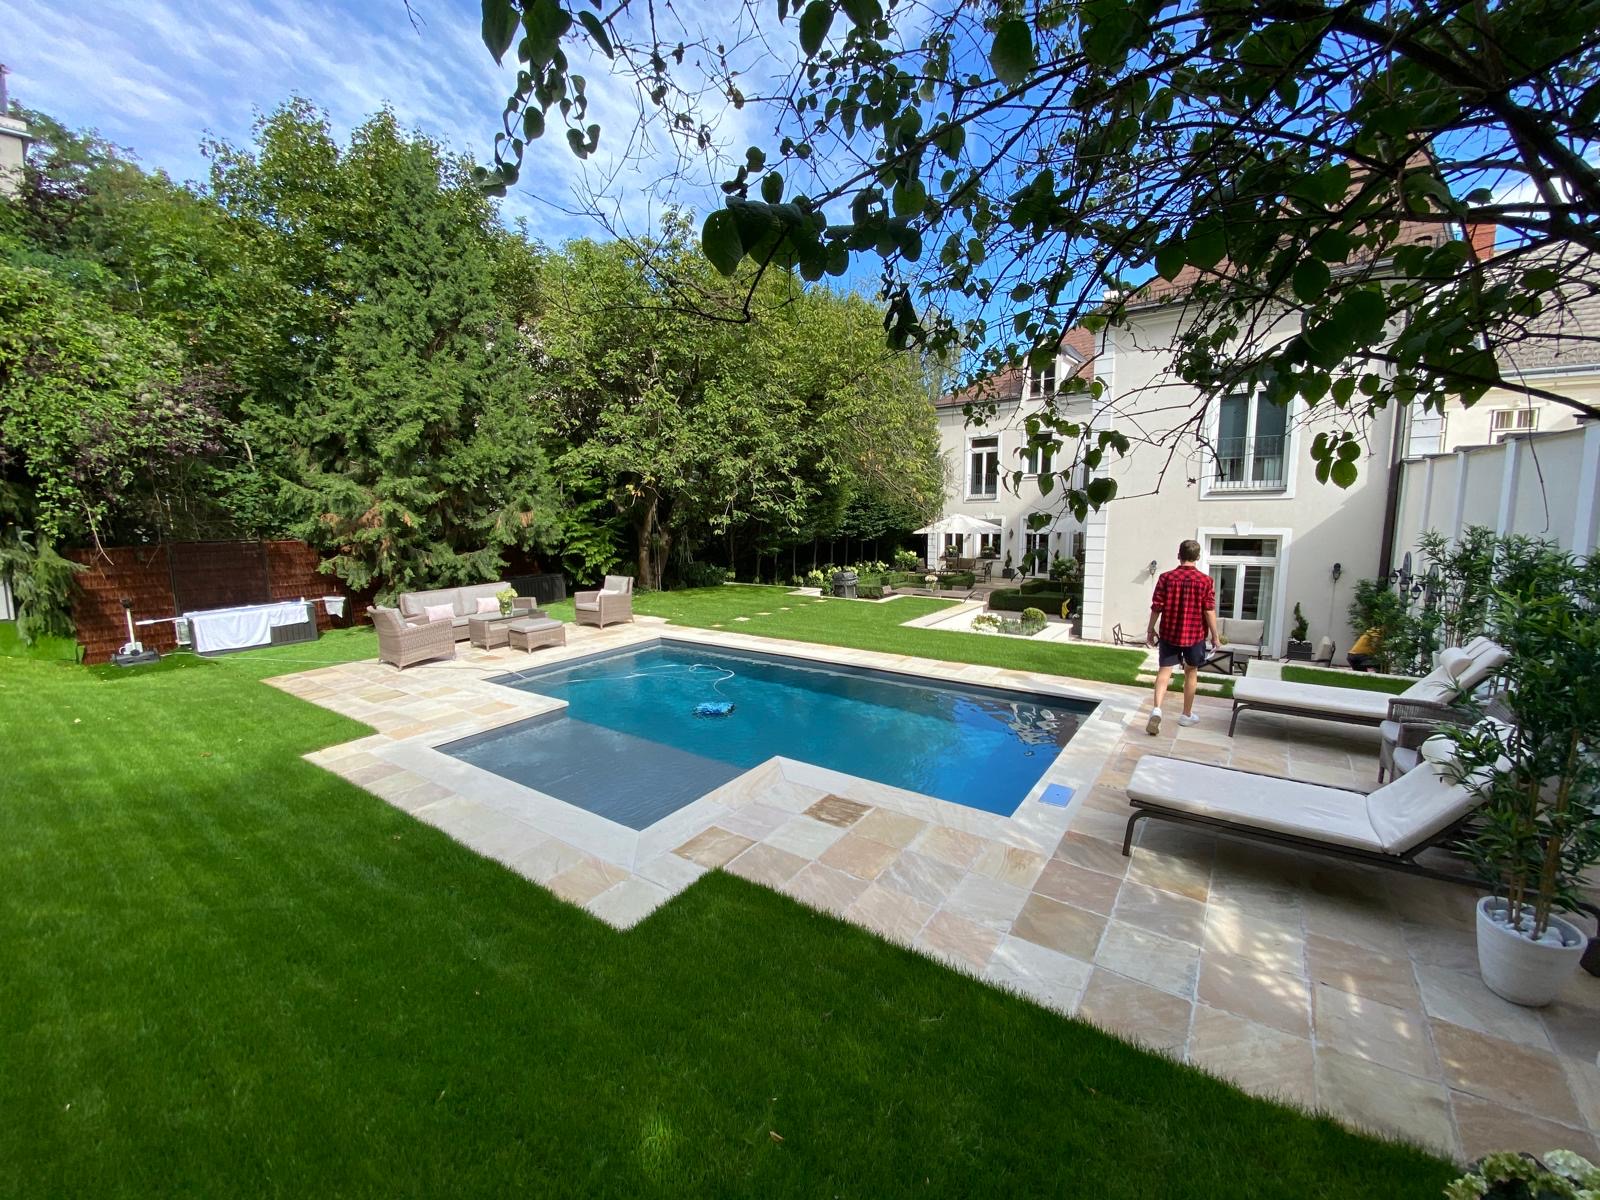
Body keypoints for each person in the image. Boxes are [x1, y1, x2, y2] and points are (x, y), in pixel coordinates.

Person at [1145, 539, 1221, 735]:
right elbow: (1209, 610)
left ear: (1179, 555)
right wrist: (1215, 636)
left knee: (1164, 671)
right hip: (1194, 635)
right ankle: (1186, 715)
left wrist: (1150, 629)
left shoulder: (1166, 578)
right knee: (1191, 672)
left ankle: (1157, 709)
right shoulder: (1206, 581)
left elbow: (1156, 607)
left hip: (1170, 633)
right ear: (1197, 557)